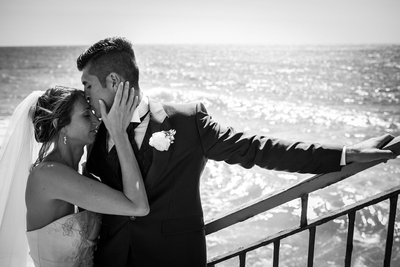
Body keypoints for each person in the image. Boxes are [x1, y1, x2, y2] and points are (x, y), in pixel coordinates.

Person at [77, 37, 397, 267]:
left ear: (114, 80)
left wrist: (344, 153)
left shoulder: (187, 122)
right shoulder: (96, 131)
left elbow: (258, 149)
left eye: (88, 85)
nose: (85, 94)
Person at [0, 84, 149, 267]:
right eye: (87, 115)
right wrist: (119, 134)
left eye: (93, 112)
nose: (97, 120)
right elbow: (138, 207)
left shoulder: (80, 170)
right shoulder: (48, 175)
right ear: (61, 126)